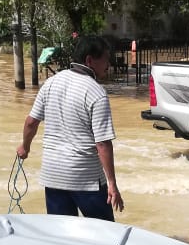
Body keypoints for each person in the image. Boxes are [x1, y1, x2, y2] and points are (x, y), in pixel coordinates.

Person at [17, 35, 124, 220]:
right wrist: (112, 184)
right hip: (86, 179)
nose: (109, 64)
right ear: (90, 60)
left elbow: (31, 122)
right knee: (106, 235)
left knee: (62, 237)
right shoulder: (96, 92)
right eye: (106, 58)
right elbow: (103, 144)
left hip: (53, 175)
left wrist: (24, 147)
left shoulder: (51, 83)